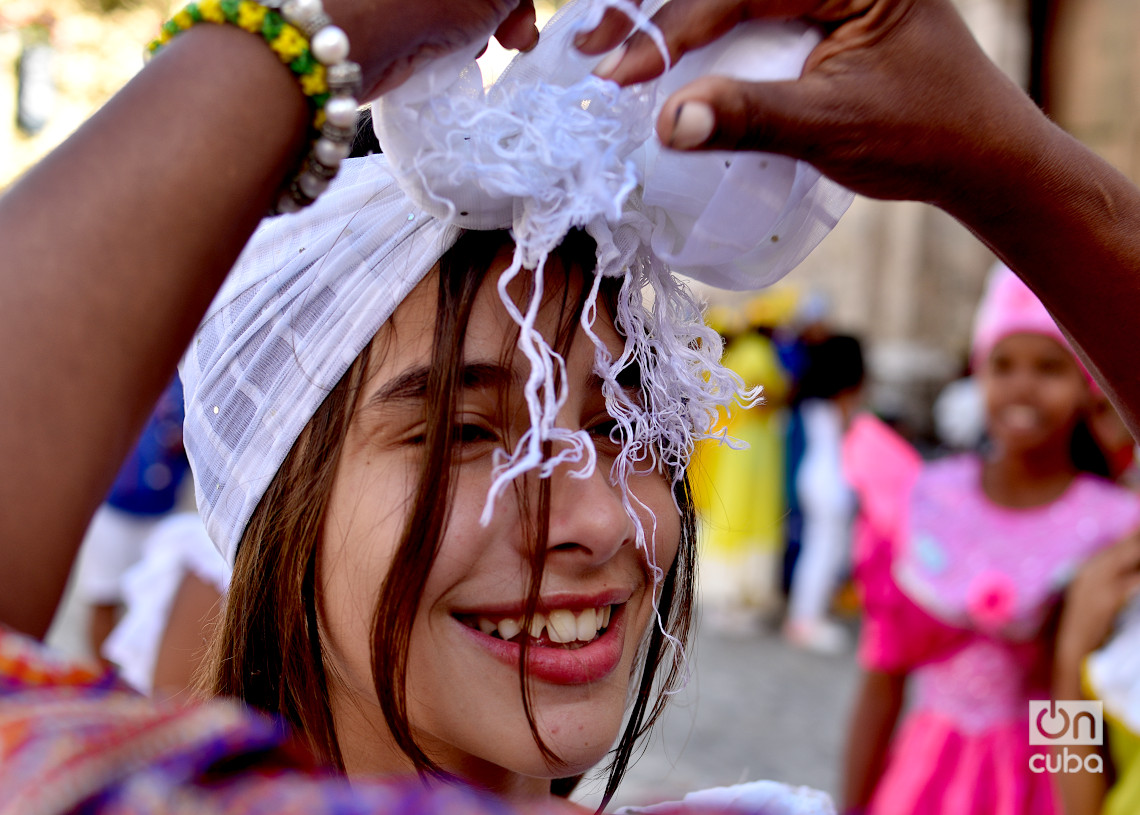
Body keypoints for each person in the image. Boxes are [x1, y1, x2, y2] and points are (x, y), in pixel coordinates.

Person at [6, 0, 1140, 812]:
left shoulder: (1105, 539)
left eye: (626, 423)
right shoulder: (925, 502)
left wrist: (1064, 758)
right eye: (462, 429)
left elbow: (1058, 710)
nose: (600, 516)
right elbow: (887, 683)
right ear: (278, 490)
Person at [839, 265, 1140, 815]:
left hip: (1048, 772)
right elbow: (884, 676)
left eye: (1049, 368)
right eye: (1002, 366)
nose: (1022, 386)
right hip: (924, 776)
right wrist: (852, 805)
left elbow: (1081, 694)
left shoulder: (1113, 524)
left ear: (1085, 384)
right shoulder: (929, 500)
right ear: (978, 374)